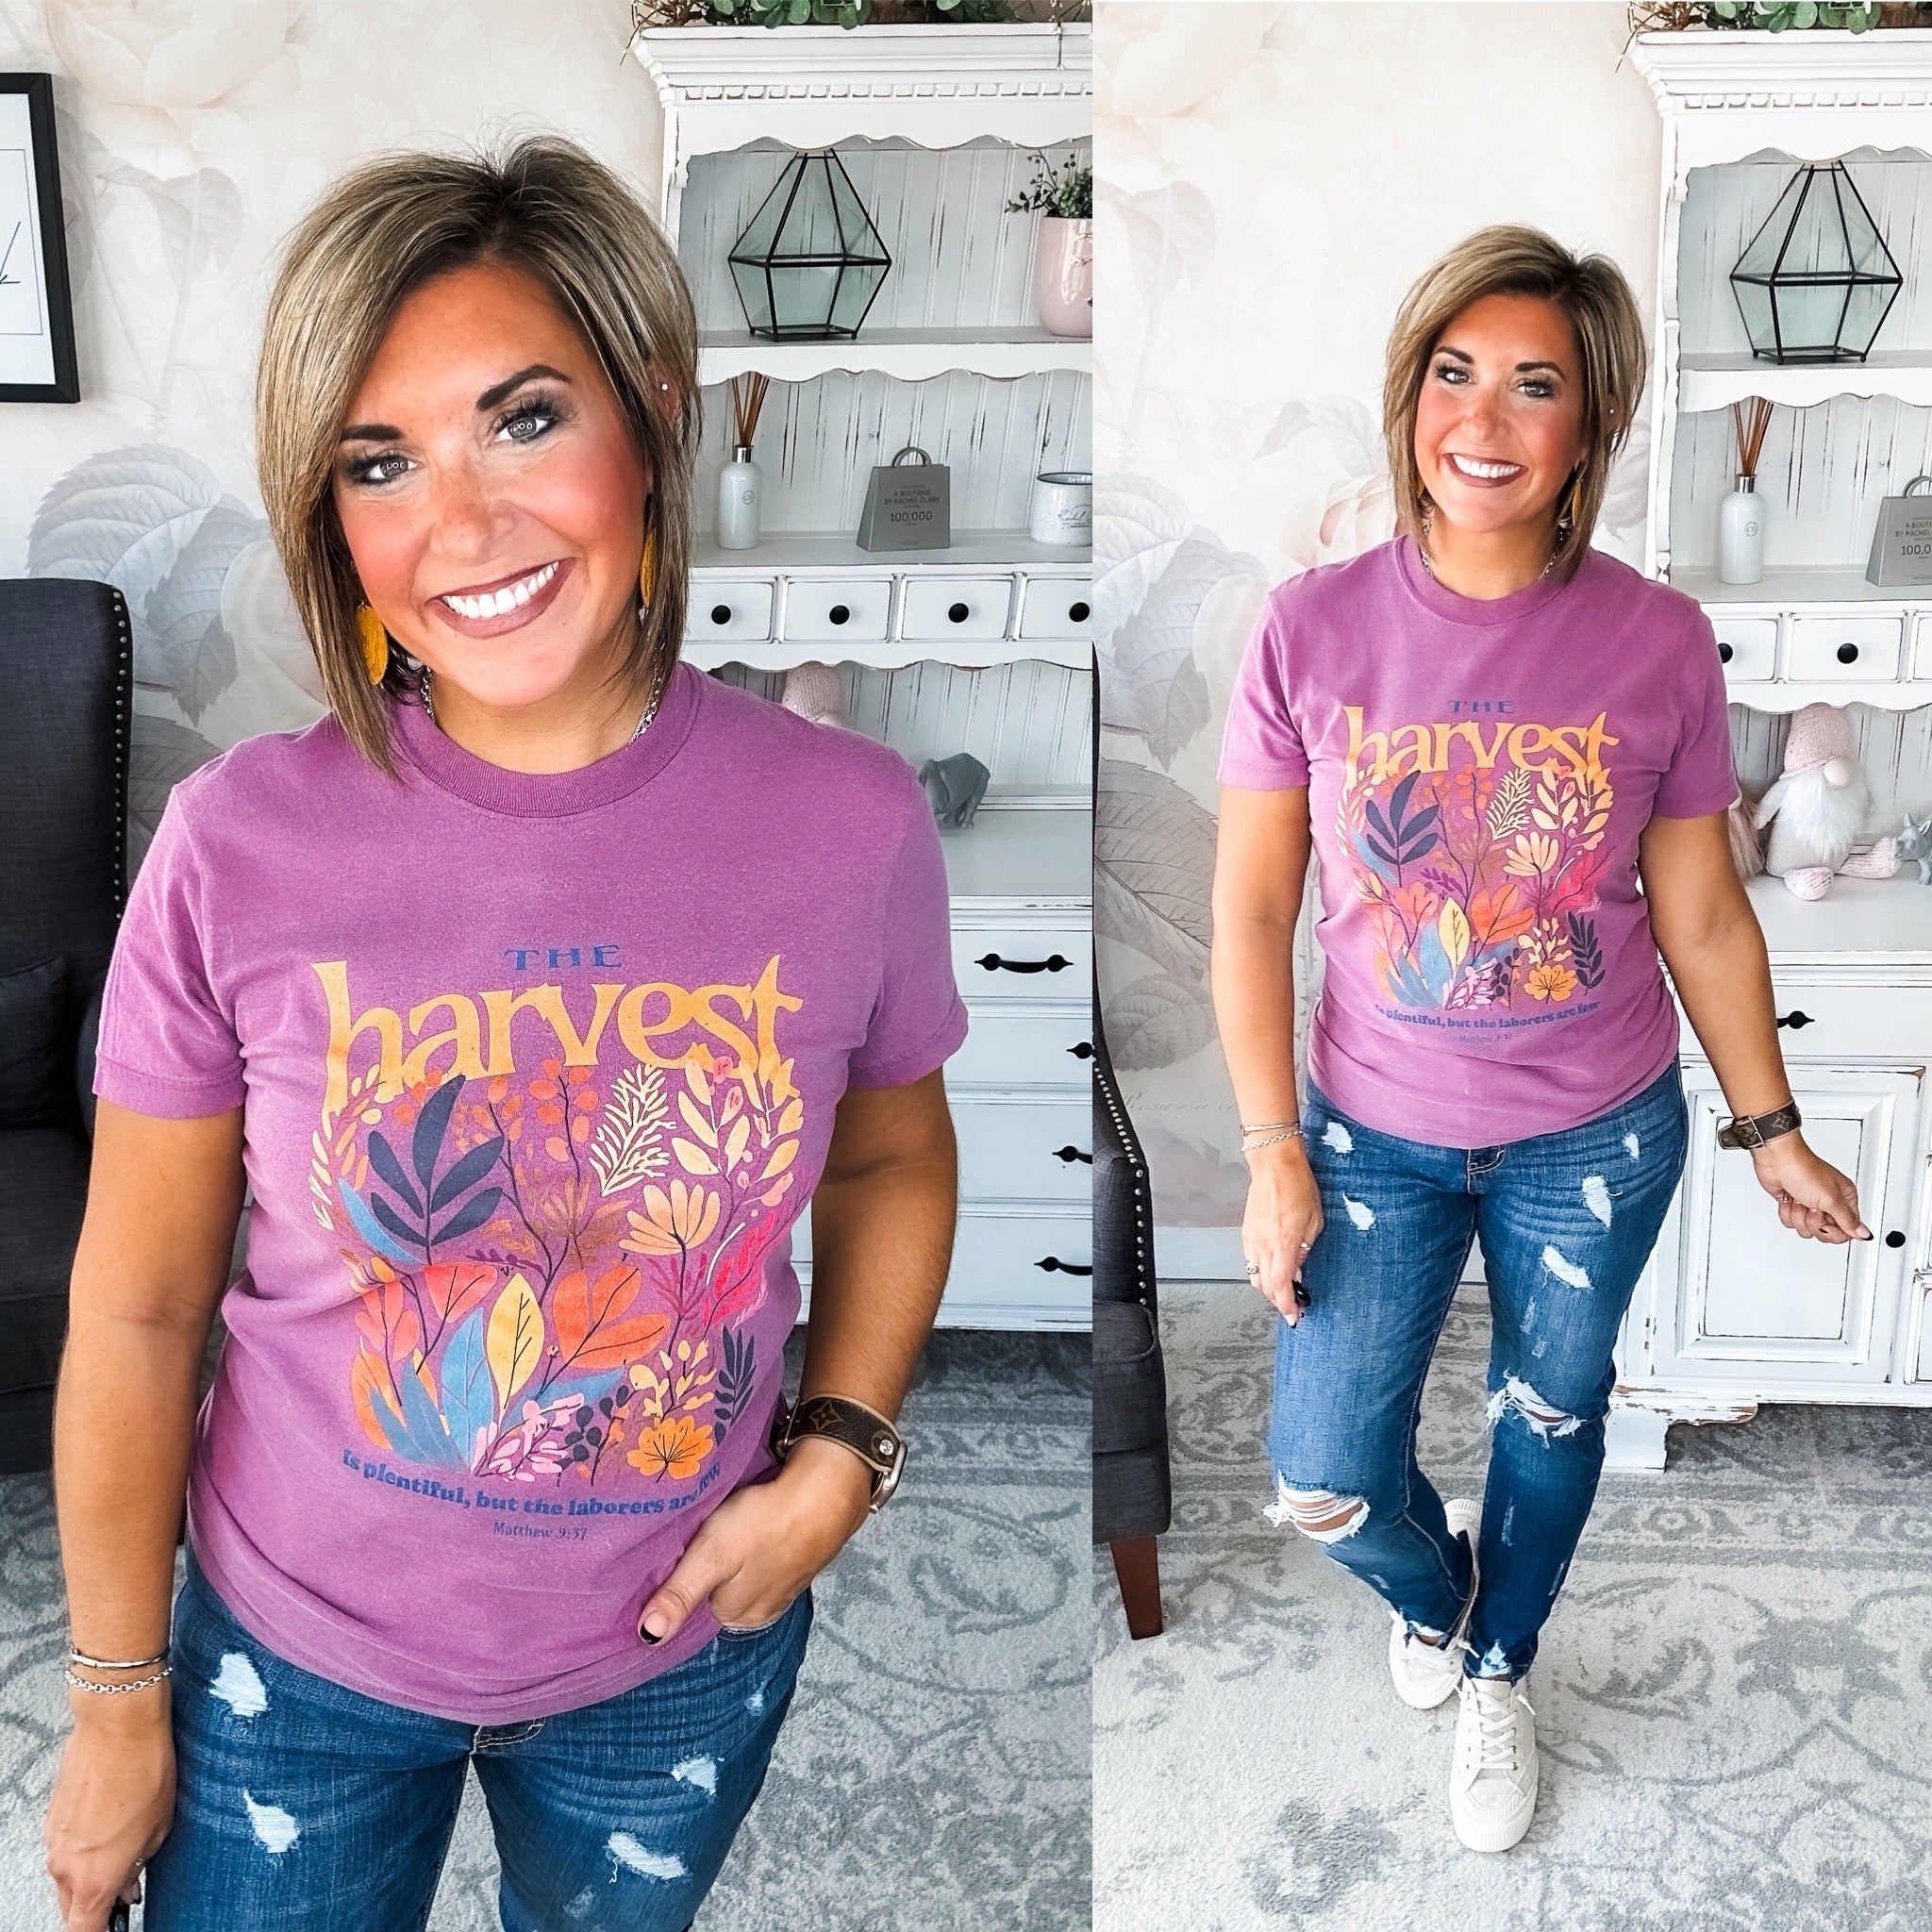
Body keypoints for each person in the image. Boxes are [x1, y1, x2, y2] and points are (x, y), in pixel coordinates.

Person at [42, 136, 967, 1932]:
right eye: (379, 461)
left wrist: (842, 1456)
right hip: (293, 1660)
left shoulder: (849, 825)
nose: (457, 528)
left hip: (676, 1657)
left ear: (655, 415)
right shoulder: (237, 845)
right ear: (330, 512)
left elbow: (887, 1160)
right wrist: (112, 1699)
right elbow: (140, 1308)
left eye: (524, 420)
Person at [1210, 225, 1870, 1855]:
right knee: (1322, 1471)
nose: (1484, 421)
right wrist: (1272, 1152)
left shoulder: (1655, 639)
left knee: (1553, 1414)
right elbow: (1252, 910)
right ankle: (1442, 1599)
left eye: (1534, 386)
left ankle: (1501, 1664)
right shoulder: (1309, 628)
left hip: (1597, 1131)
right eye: (1454, 375)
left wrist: (1772, 1127)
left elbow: (1704, 914)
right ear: (1409, 395)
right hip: (1371, 1130)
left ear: (1590, 426)